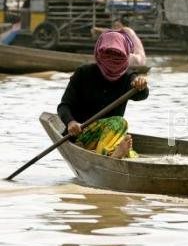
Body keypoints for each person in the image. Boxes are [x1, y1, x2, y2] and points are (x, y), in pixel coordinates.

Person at [57, 31, 149, 159]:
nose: (112, 59)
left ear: (125, 56)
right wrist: (71, 122)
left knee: (131, 153)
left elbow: (142, 95)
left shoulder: (128, 78)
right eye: (108, 53)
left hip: (109, 137)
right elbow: (63, 106)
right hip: (82, 135)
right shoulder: (83, 73)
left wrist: (141, 85)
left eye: (117, 55)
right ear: (99, 53)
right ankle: (111, 156)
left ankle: (116, 153)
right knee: (119, 122)